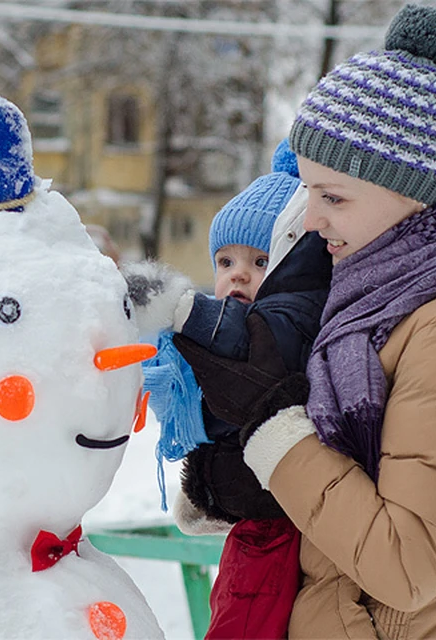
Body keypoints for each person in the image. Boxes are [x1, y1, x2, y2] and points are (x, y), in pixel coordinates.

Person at [172, 4, 436, 638]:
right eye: (309, 196)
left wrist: (273, 427)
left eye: (333, 197)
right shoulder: (389, 293)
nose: (313, 221)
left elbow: (408, 562)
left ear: (415, 193)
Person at [125, 142, 334, 639]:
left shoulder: (281, 325)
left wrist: (180, 312)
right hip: (253, 517)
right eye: (225, 260)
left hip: (275, 522)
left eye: (259, 261)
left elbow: (241, 347)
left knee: (244, 613)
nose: (237, 273)